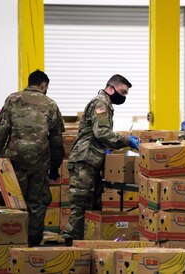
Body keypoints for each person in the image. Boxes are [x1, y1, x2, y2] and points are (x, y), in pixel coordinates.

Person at [0, 70, 65, 247]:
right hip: (39, 162)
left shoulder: (13, 99)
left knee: (12, 200)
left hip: (14, 161)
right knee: (37, 203)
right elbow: (56, 142)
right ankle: (32, 243)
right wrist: (54, 167)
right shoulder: (51, 104)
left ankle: (9, 239)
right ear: (44, 85)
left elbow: (2, 132)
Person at [60, 74, 139, 244]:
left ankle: (87, 247)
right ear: (111, 88)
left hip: (92, 161)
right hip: (85, 160)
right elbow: (102, 133)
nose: (124, 97)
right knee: (81, 207)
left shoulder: (106, 103)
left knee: (93, 209)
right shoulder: (101, 103)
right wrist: (127, 141)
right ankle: (70, 247)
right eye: (122, 92)